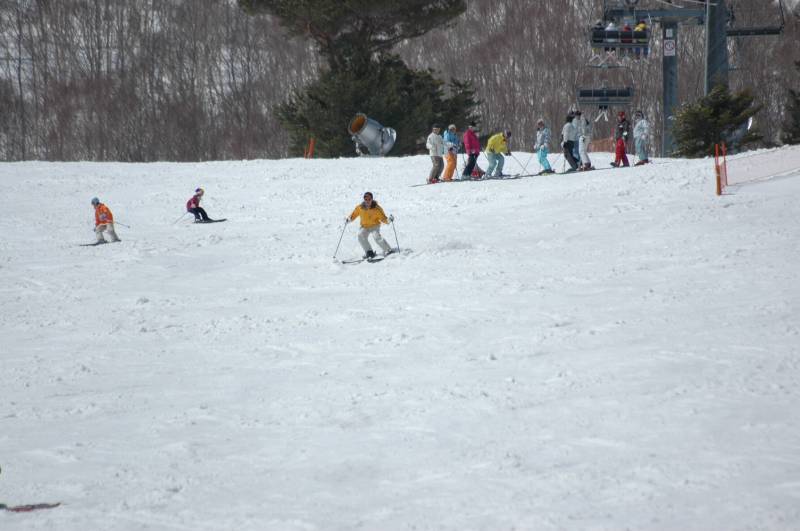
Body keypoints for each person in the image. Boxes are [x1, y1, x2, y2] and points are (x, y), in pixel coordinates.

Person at [346, 192, 394, 259]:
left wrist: (388, 220)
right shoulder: (360, 207)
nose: (367, 201)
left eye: (369, 199)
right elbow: (354, 214)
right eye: (366, 199)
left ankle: (388, 250)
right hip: (364, 226)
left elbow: (383, 218)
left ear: (372, 199)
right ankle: (369, 252)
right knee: (360, 235)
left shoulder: (377, 208)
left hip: (374, 226)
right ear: (364, 199)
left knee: (376, 237)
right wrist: (349, 219)